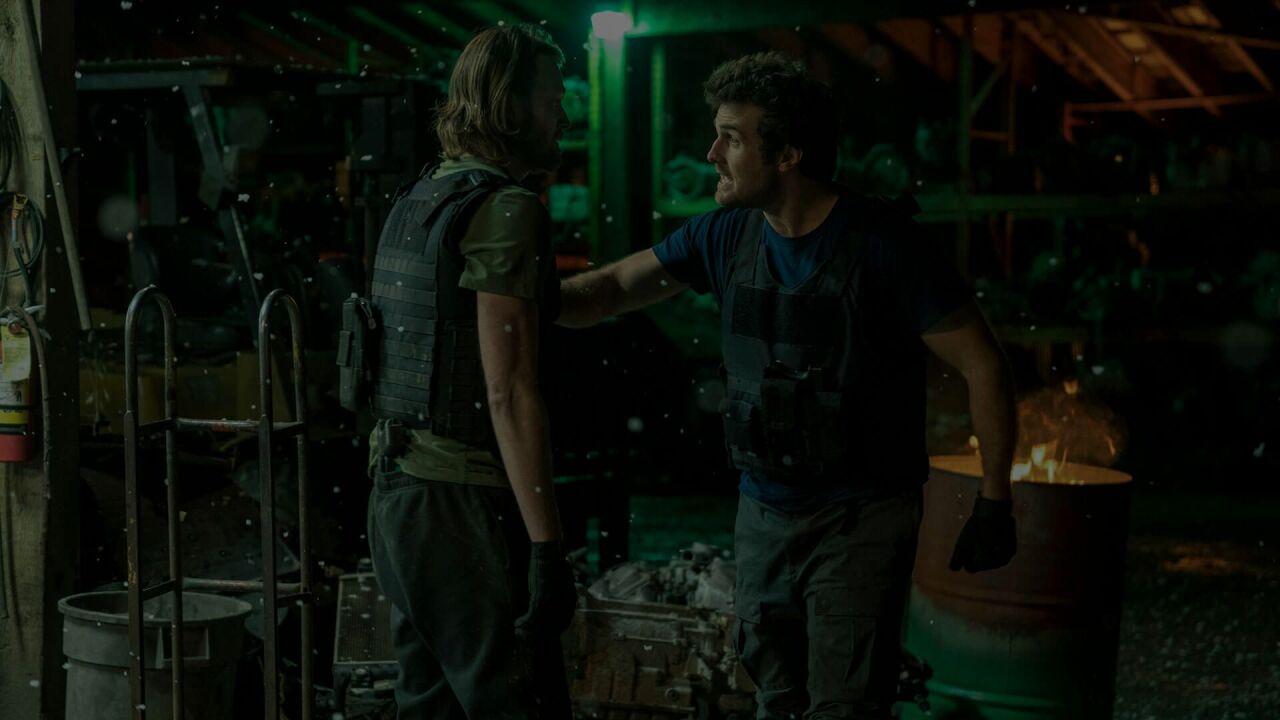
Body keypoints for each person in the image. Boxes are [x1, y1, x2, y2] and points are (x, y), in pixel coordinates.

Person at [559, 51, 1018, 718]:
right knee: (773, 697)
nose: (711, 154)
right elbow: (609, 290)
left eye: (731, 138)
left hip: (859, 519)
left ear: (788, 154)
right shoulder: (723, 236)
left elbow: (984, 364)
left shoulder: (885, 246)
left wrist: (995, 500)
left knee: (845, 705)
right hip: (763, 514)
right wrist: (525, 297)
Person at [363, 24, 574, 720]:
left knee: (431, 706)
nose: (564, 117)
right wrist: (547, 548)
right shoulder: (506, 208)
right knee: (519, 702)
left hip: (398, 494)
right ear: (510, 106)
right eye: (552, 101)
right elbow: (508, 391)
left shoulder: (422, 196)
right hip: (461, 505)